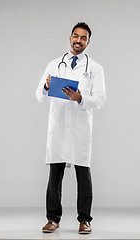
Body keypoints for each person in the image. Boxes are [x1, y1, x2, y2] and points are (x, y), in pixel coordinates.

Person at [35, 22, 106, 234]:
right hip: (58, 127)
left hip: (80, 129)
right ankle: (53, 219)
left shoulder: (95, 68)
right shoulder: (55, 64)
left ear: (88, 42)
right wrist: (47, 86)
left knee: (83, 175)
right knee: (54, 175)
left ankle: (85, 220)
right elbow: (39, 94)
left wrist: (81, 98)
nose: (78, 40)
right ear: (70, 37)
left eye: (83, 38)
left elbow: (101, 99)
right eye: (76, 36)